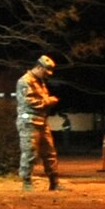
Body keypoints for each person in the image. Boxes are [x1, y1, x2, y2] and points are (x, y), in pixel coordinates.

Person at [16, 54, 61, 191]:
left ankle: (54, 183)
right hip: (29, 121)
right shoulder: (25, 81)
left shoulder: (40, 82)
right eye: (46, 71)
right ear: (39, 67)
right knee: (30, 152)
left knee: (49, 152)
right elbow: (28, 102)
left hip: (41, 121)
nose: (47, 75)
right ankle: (27, 182)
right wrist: (49, 101)